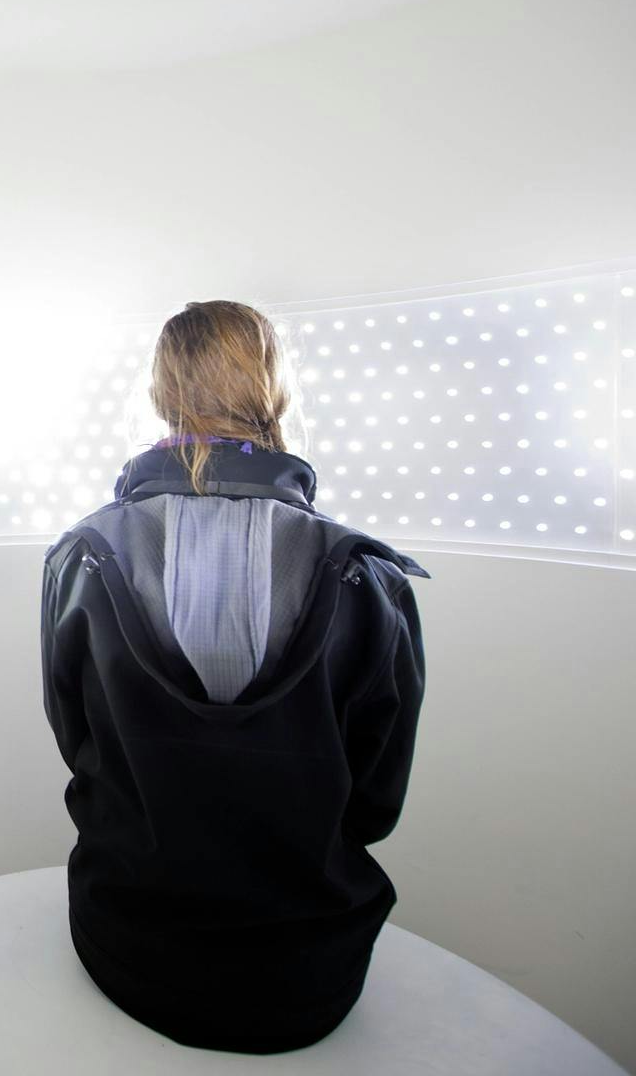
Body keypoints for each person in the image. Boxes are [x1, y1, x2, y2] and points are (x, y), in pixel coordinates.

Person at [41, 299, 430, 1054]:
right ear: (273, 395)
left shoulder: (80, 555)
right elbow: (377, 802)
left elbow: (77, 745)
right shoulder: (367, 575)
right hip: (307, 975)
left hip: (121, 941)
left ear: (162, 395)